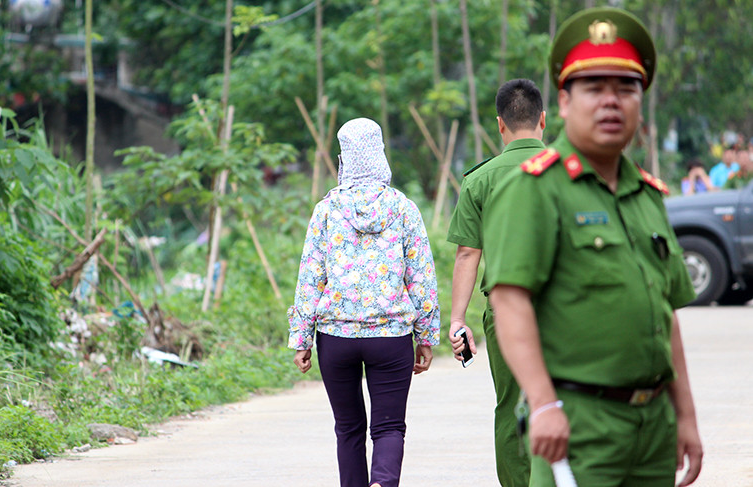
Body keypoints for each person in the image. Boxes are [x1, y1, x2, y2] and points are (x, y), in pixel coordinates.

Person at [482, 7, 703, 487]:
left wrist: (685, 416)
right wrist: (543, 404)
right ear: (562, 103)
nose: (611, 101)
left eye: (626, 88)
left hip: (653, 427)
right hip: (579, 423)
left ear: (640, 102)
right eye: (594, 88)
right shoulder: (534, 188)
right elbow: (509, 300)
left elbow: (667, 316)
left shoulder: (648, 195)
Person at [288, 117, 441, 487]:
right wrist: (426, 336)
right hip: (390, 339)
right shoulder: (404, 209)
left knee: (348, 429)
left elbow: (311, 277)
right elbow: (421, 277)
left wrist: (301, 338)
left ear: (344, 159)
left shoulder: (326, 211)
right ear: (380, 154)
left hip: (335, 339)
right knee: (389, 427)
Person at [446, 78, 546, 487]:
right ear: (543, 120)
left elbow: (468, 254)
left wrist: (458, 320)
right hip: (570, 305)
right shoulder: (574, 171)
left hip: (506, 312)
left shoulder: (479, 180)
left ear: (500, 126)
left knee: (512, 406)